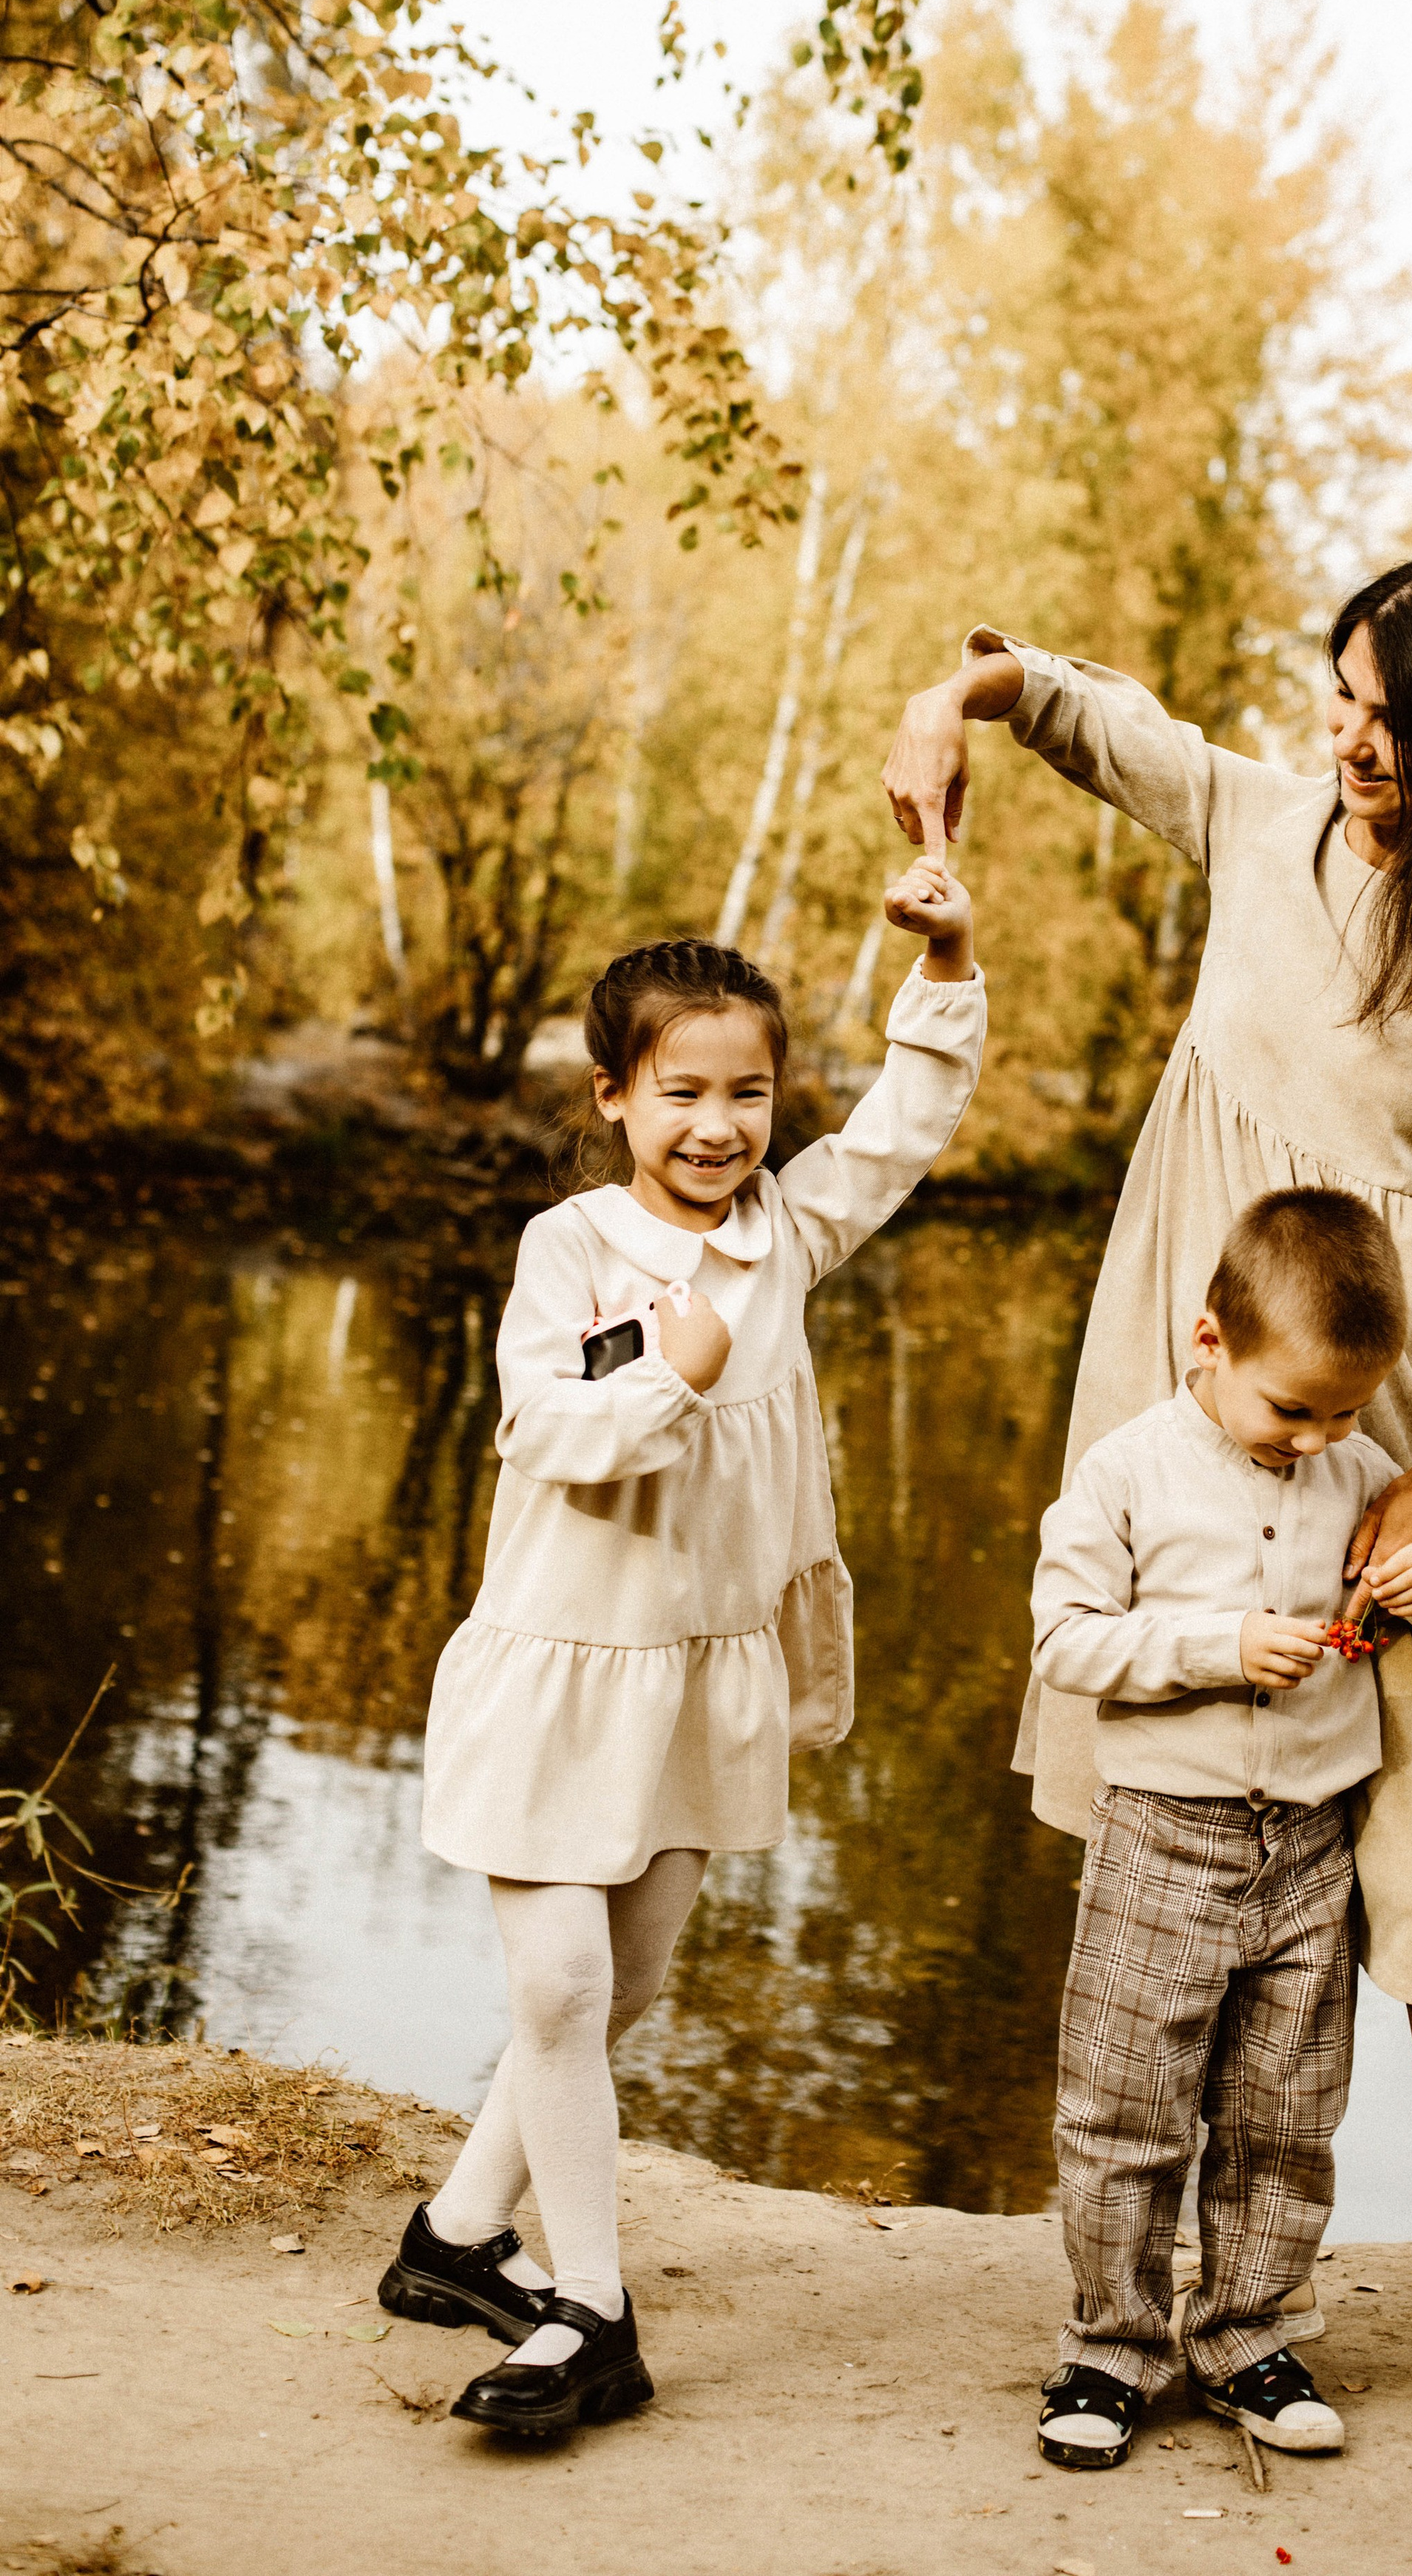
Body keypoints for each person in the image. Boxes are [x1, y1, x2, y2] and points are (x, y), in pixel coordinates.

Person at [881, 552, 1412, 2468]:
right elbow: (1084, 714)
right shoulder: (1259, 820)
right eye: (1343, 697)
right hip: (1188, 1367)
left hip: (1398, 1419)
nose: (1350, 740)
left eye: (1393, 718)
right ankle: (1143, 2315)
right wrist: (952, 705)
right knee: (1169, 1818)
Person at [379, 863, 985, 2436]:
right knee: (563, 1985)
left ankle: (457, 2235)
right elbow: (546, 1431)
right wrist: (677, 1371)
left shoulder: (789, 1231)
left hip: (701, 1673)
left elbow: (906, 1130)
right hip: (560, 1666)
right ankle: (592, 2312)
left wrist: (945, 960)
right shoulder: (567, 1246)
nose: (719, 1127)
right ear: (614, 1098)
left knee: (621, 1986)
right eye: (682, 1094)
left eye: (748, 1094)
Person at [1033, 1189, 1412, 2474]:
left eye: (1345, 1412)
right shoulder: (1128, 1470)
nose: (1318, 1438)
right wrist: (1219, 1647)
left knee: (1284, 2113)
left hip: (1307, 1851)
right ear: (1209, 1341)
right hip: (1159, 1839)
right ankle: (1112, 2345)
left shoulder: (1363, 1476)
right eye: (1293, 1409)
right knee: (1125, 2109)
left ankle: (1246, 2333)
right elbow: (1065, 1641)